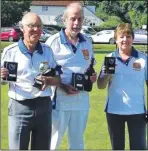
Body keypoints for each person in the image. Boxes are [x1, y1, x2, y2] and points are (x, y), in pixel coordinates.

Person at [1, 12, 61, 150]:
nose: (36, 29)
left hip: (44, 106)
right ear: (22, 28)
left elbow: (58, 79)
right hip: (19, 106)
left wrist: (48, 80)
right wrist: (1, 77)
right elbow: (3, 81)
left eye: (39, 26)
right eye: (31, 26)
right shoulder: (10, 51)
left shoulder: (47, 50)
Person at [45, 2, 97, 150]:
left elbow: (90, 67)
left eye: (80, 19)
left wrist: (92, 76)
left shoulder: (87, 41)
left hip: (81, 101)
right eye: (73, 19)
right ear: (64, 19)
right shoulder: (52, 42)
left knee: (77, 144)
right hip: (59, 101)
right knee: (52, 143)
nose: (76, 23)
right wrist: (61, 85)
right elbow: (44, 73)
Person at [97, 23, 147, 150]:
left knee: (139, 148)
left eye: (128, 36)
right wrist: (107, 74)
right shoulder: (110, 58)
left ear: (133, 39)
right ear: (116, 40)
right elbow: (100, 85)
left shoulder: (143, 59)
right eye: (122, 36)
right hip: (114, 110)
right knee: (117, 148)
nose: (125, 40)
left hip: (137, 111)